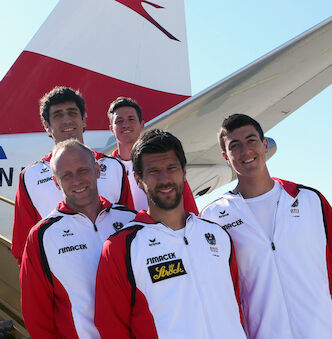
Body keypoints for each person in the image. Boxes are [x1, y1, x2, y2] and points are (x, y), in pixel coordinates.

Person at [200, 114, 332, 338]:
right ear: (225, 156)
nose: (246, 151)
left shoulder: (310, 200)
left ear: (265, 145)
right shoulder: (214, 218)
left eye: (252, 141)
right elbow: (218, 297)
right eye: (235, 146)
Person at [95, 129, 245, 338]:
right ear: (138, 179)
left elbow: (235, 305)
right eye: (154, 171)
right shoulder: (121, 248)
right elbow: (111, 327)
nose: (165, 179)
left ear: (184, 171)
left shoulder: (217, 235)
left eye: (171, 168)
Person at [20, 139, 136, 338]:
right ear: (56, 182)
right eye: (66, 175)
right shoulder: (42, 235)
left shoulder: (131, 220)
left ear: (97, 170)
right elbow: (36, 313)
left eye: (83, 170)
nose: (77, 181)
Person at [12, 86, 133, 264]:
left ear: (83, 120)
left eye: (72, 113)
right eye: (58, 115)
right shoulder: (30, 177)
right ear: (47, 126)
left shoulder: (114, 167)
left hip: (117, 275)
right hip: (66, 282)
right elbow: (24, 250)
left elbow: (130, 226)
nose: (67, 120)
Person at [107, 96, 199, 214]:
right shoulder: (105, 170)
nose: (125, 125)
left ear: (142, 125)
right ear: (111, 129)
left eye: (131, 119)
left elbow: (188, 206)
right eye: (119, 121)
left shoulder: (161, 162)